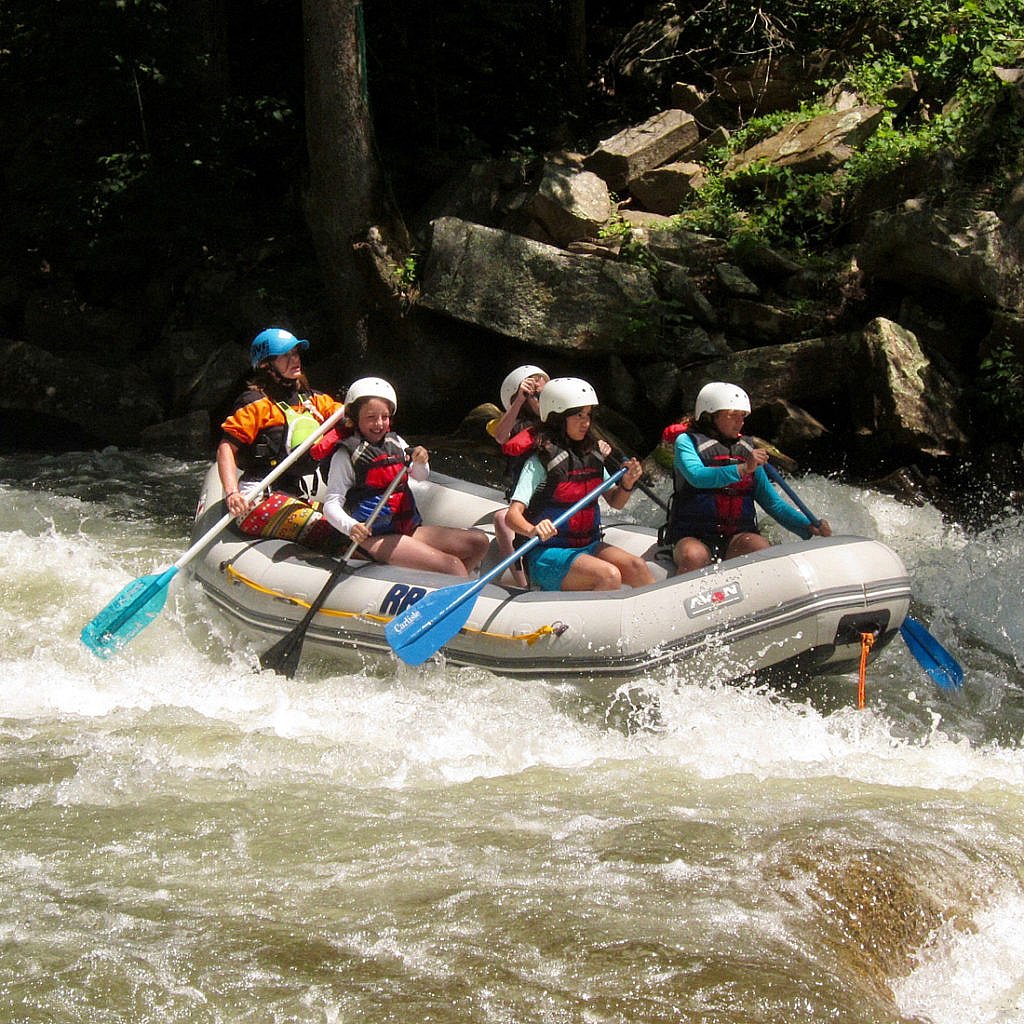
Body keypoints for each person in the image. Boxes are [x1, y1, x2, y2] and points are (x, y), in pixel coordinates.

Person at [323, 377, 489, 577]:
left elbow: (420, 476)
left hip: (405, 528)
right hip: (372, 537)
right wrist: (351, 527)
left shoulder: (397, 442)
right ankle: (454, 582)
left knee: (479, 543)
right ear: (355, 417)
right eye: (371, 417)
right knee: (452, 566)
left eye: (384, 417)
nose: (379, 423)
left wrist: (421, 461)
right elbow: (331, 503)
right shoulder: (345, 455)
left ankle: (443, 587)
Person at [504, 377, 656, 592]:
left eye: (588, 415)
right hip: (546, 552)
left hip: (587, 545)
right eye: (578, 415)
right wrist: (533, 529)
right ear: (558, 417)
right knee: (608, 575)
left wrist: (627, 484)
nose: (586, 422)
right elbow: (512, 516)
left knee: (637, 567)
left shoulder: (591, 454)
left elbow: (616, 502)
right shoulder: (540, 461)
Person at [666, 381, 832, 574]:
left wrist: (807, 526)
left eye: (742, 416)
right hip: (691, 535)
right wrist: (743, 468)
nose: (740, 422)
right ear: (709, 416)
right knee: (694, 556)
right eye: (733, 415)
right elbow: (697, 476)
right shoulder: (685, 442)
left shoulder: (746, 450)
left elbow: (773, 504)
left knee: (758, 546)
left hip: (735, 537)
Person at [217, 327, 346, 552]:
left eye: (295, 353)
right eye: (285, 355)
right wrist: (232, 493)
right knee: (336, 533)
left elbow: (349, 415)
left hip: (293, 494)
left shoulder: (313, 400)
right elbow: (226, 448)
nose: (294, 359)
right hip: (257, 497)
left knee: (349, 521)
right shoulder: (257, 403)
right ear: (267, 364)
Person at [485, 364, 550, 587]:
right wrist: (520, 400)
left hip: (551, 497)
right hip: (525, 499)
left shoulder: (562, 421)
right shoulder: (513, 423)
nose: (541, 399)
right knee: (503, 520)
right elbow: (501, 436)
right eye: (535, 395)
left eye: (544, 392)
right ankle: (523, 585)